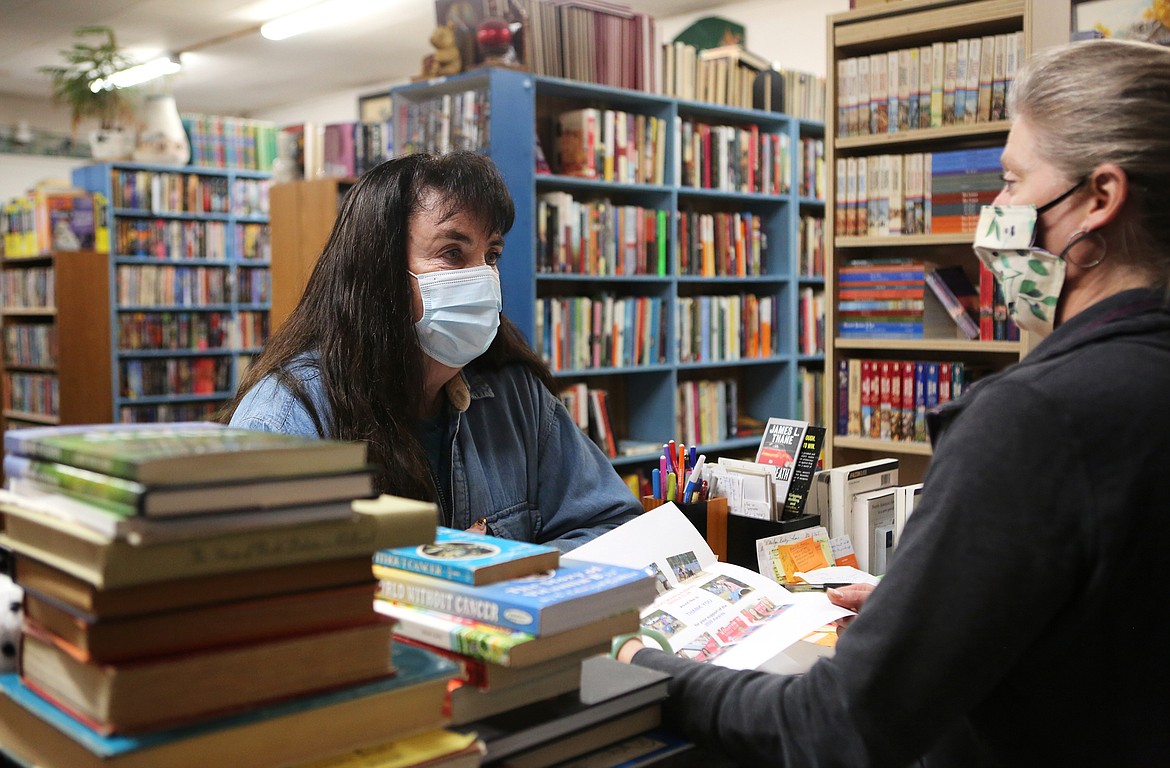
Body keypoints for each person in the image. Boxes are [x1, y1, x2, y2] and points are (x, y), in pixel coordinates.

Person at [616, 38, 1170, 766]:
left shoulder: (1034, 419)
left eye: (1011, 180)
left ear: (1099, 198)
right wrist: (937, 610)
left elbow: (836, 728)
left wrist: (639, 667)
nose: (996, 212)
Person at [221, 151, 640, 551]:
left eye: (491, 255)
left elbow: (611, 524)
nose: (482, 277)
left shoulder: (515, 394)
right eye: (452, 253)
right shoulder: (287, 418)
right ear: (379, 271)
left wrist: (508, 583)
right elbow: (259, 598)